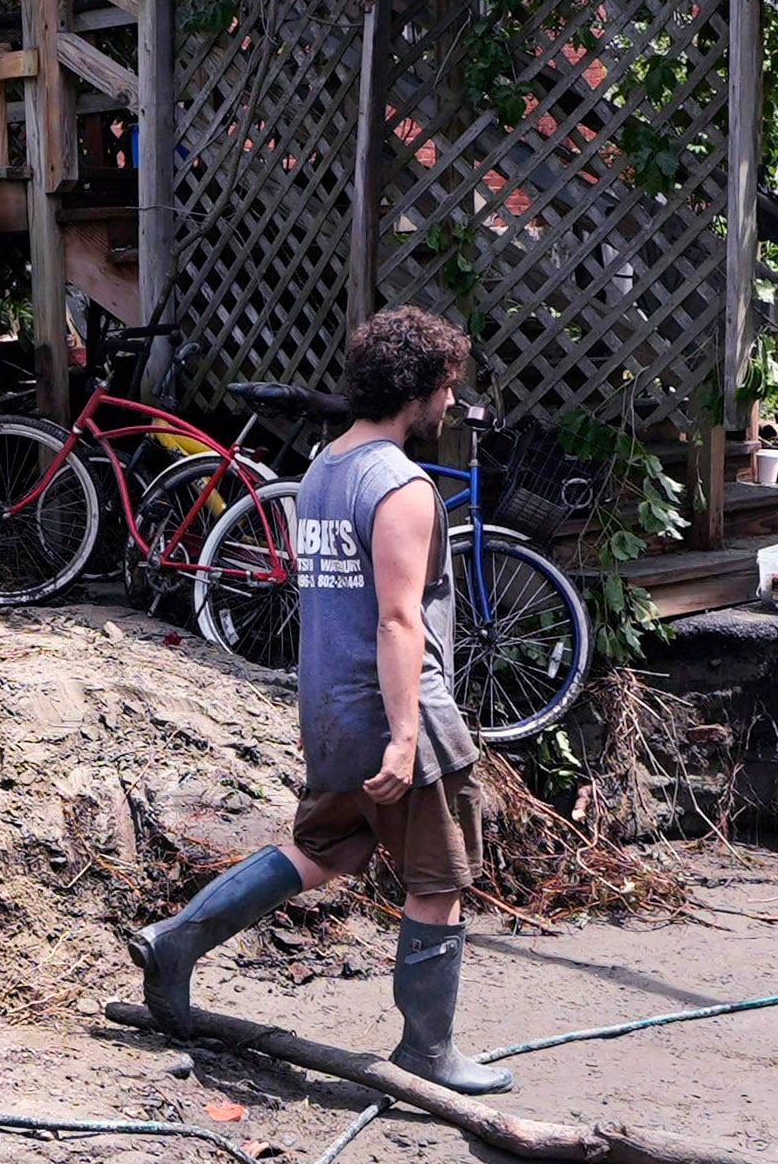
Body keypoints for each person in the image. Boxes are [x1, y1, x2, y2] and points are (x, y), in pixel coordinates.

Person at [128, 306, 512, 1094]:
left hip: (329, 706)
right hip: (395, 710)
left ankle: (178, 940)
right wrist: (406, 739)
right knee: (435, 880)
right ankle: (426, 1054)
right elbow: (400, 620)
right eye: (447, 387)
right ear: (419, 389)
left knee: (325, 850)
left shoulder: (325, 468)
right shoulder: (401, 486)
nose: (450, 403)